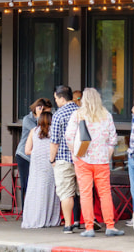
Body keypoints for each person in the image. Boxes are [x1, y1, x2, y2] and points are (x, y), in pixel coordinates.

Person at [65, 88, 125, 237]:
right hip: (102, 161)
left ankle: (89, 228)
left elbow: (69, 137)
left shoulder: (77, 115)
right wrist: (107, 155)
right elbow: (113, 139)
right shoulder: (106, 115)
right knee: (105, 193)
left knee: (85, 194)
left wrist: (75, 154)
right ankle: (110, 226)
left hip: (83, 159)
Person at [22, 110, 61, 229]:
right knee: (51, 190)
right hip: (50, 163)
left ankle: (34, 217)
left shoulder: (33, 131)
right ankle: (51, 218)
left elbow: (27, 151)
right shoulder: (54, 131)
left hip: (36, 164)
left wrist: (38, 152)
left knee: (35, 190)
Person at [49, 85, 80, 234]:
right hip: (82, 158)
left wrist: (51, 159)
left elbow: (54, 141)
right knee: (83, 192)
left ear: (62, 98)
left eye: (56, 99)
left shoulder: (58, 114)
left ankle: (68, 224)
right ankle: (83, 221)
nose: (55, 102)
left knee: (66, 193)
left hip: (64, 157)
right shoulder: (81, 112)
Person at [15, 98, 51, 204]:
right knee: (25, 183)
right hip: (24, 155)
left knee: (37, 184)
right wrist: (40, 117)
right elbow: (38, 132)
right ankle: (24, 210)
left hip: (37, 155)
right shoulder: (27, 119)